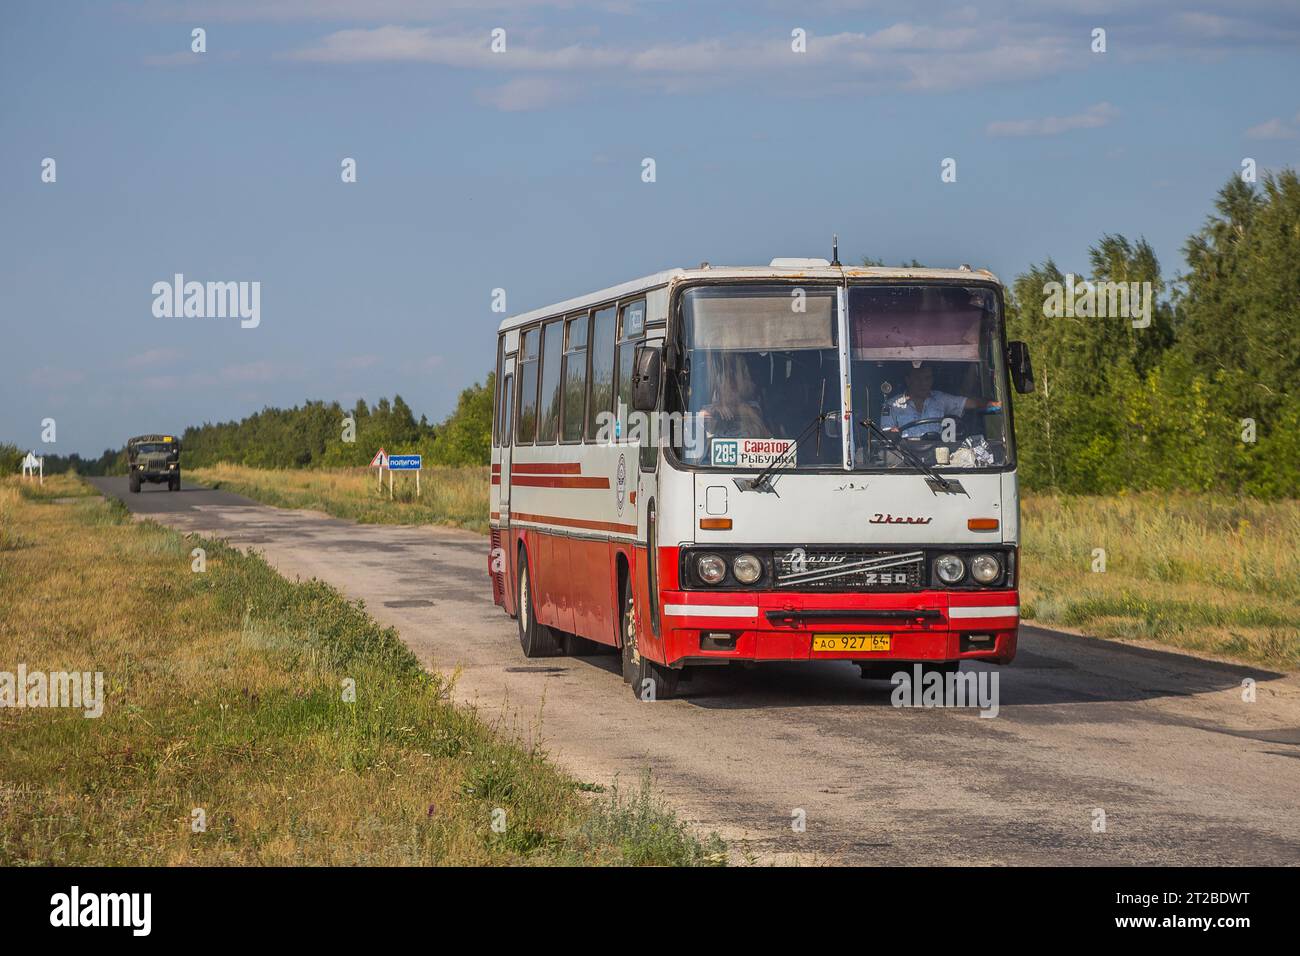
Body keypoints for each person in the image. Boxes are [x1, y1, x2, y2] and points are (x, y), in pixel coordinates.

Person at [881, 362, 999, 437]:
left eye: (927, 378)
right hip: (906, 461)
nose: (924, 384)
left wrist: (997, 404)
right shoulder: (891, 405)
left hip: (938, 460)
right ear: (908, 380)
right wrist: (892, 433)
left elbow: (971, 403)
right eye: (918, 379)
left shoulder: (940, 399)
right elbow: (885, 436)